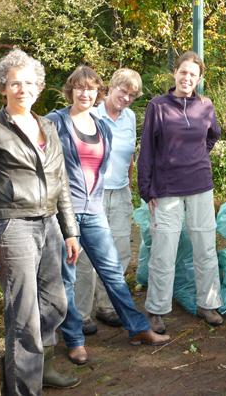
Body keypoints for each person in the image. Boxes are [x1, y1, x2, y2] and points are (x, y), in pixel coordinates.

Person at [0, 48, 81, 393]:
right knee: (24, 316)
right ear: (3, 87)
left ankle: (36, 364)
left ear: (39, 87)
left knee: (56, 303)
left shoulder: (47, 125)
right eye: (15, 83)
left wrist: (70, 232)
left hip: (48, 225)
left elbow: (60, 182)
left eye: (29, 82)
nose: (22, 89)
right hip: (13, 226)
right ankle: (25, 386)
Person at [47, 66, 170, 366]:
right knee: (69, 275)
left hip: (95, 208)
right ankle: (74, 339)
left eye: (90, 89)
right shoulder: (55, 121)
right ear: (70, 90)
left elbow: (107, 166)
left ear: (97, 92)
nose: (85, 93)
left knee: (113, 270)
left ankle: (137, 329)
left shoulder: (101, 126)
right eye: (79, 88)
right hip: (66, 212)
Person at [138, 51, 223, 334]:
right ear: (175, 73)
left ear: (200, 79)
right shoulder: (158, 106)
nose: (188, 78)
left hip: (200, 185)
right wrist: (146, 188)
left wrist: (198, 155)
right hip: (167, 188)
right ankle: (157, 309)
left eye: (193, 75)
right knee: (164, 251)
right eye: (183, 72)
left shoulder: (205, 105)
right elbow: (147, 148)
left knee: (205, 247)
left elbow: (213, 136)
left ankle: (208, 303)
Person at [74, 68, 141, 333]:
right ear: (110, 88)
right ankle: (80, 313)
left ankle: (107, 305)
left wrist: (130, 184)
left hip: (121, 192)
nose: (126, 98)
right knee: (86, 257)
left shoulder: (131, 118)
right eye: (122, 91)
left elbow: (129, 157)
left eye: (132, 95)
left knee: (120, 250)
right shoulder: (90, 114)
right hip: (93, 194)